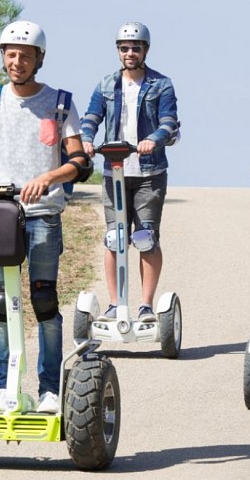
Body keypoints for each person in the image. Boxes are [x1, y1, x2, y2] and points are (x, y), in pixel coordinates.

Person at [0, 21, 91, 413]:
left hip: (43, 214)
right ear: (3, 57)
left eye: (25, 56)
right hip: (2, 214)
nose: (17, 61)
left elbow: (80, 162)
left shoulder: (60, 103)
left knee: (43, 300)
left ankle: (49, 390)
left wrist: (48, 178)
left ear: (38, 60)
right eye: (11, 54)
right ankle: (3, 389)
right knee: (1, 302)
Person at [81, 22, 179, 323]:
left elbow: (169, 121)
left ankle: (146, 306)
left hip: (149, 171)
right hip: (115, 171)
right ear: (118, 51)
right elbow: (91, 117)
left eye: (136, 48)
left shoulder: (161, 84)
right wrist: (86, 139)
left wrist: (153, 139)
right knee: (114, 237)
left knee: (145, 237)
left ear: (145, 50)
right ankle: (115, 304)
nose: (130, 53)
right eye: (124, 48)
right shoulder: (106, 84)